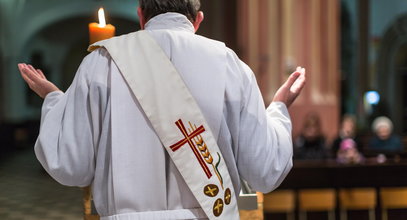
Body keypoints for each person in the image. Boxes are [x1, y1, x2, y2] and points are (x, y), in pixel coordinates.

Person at [17, 0, 306, 219]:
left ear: (141, 15)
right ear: (198, 20)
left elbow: (70, 166)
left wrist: (56, 100)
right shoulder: (230, 65)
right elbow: (265, 171)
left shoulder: (101, 63)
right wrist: (279, 108)